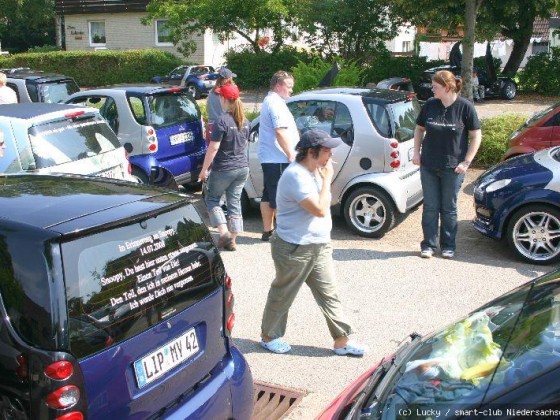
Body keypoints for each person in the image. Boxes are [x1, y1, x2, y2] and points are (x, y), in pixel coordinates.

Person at [259, 129, 367, 357]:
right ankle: (269, 337)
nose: (330, 156)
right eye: (326, 151)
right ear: (311, 152)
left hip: (319, 245)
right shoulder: (295, 176)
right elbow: (319, 208)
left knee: (329, 293)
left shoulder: (315, 170)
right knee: (283, 293)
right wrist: (327, 179)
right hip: (294, 248)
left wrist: (325, 178)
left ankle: (342, 341)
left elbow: (325, 200)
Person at [412, 70, 482, 259]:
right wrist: (416, 153)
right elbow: (419, 129)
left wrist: (466, 162)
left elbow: (476, 136)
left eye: (435, 86)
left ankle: (448, 246)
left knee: (449, 208)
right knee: (430, 207)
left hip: (453, 167)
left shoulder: (465, 107)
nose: (432, 89)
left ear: (447, 87)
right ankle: (428, 245)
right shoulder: (430, 105)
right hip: (429, 165)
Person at [198, 83, 249, 251]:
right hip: (242, 168)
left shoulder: (221, 120)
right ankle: (232, 240)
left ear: (223, 99)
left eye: (220, 96)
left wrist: (204, 170)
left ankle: (224, 234)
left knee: (212, 199)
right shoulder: (244, 120)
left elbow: (213, 148)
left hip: (224, 168)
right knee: (234, 202)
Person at [258, 70, 299, 241]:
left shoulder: (274, 101)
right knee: (281, 198)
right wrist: (291, 155)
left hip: (272, 158)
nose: (291, 90)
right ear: (278, 85)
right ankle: (284, 235)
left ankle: (268, 231)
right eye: (289, 86)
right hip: (278, 159)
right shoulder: (274, 103)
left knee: (268, 195)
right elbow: (280, 132)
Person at [207, 67, 236, 142]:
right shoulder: (228, 94)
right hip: (224, 126)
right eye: (232, 77)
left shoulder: (211, 92)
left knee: (212, 150)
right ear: (228, 79)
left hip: (211, 125)